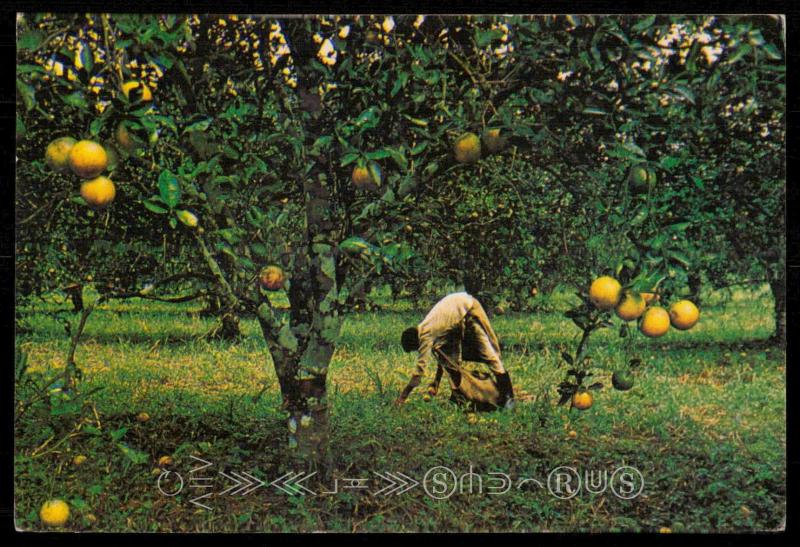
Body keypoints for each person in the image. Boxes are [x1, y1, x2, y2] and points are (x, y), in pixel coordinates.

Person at [395, 292, 515, 409]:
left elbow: (418, 373)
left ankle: (508, 397)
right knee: (450, 362)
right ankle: (458, 396)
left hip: (469, 308)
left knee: (490, 354)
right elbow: (442, 358)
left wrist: (403, 396)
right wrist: (436, 381)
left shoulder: (425, 336)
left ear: (416, 344)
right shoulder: (428, 328)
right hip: (457, 317)